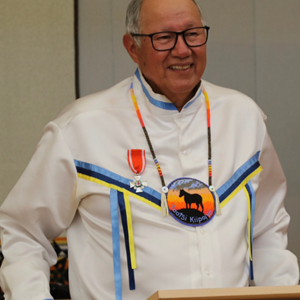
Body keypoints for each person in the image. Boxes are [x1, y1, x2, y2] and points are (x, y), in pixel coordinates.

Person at [0, 0, 299, 299]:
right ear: (132, 47)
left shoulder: (245, 118)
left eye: (192, 33)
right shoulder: (80, 128)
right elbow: (24, 232)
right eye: (164, 37)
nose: (182, 50)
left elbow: (267, 230)